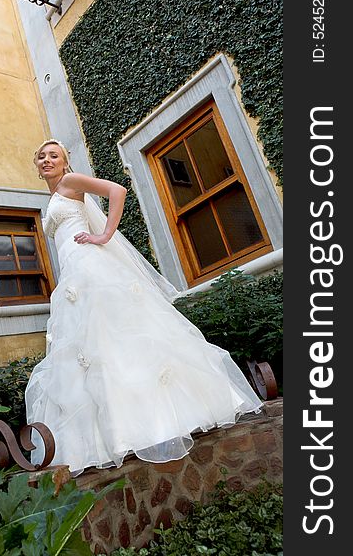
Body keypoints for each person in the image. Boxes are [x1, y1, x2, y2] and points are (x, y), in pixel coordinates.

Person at [25, 139, 263, 477]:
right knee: (93, 349)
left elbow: (116, 190)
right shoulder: (53, 196)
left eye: (54, 155)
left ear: (65, 163)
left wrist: (104, 235)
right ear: (36, 165)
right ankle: (115, 432)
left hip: (91, 269)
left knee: (113, 339)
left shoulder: (69, 182)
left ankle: (150, 423)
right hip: (74, 278)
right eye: (41, 156)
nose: (47, 160)